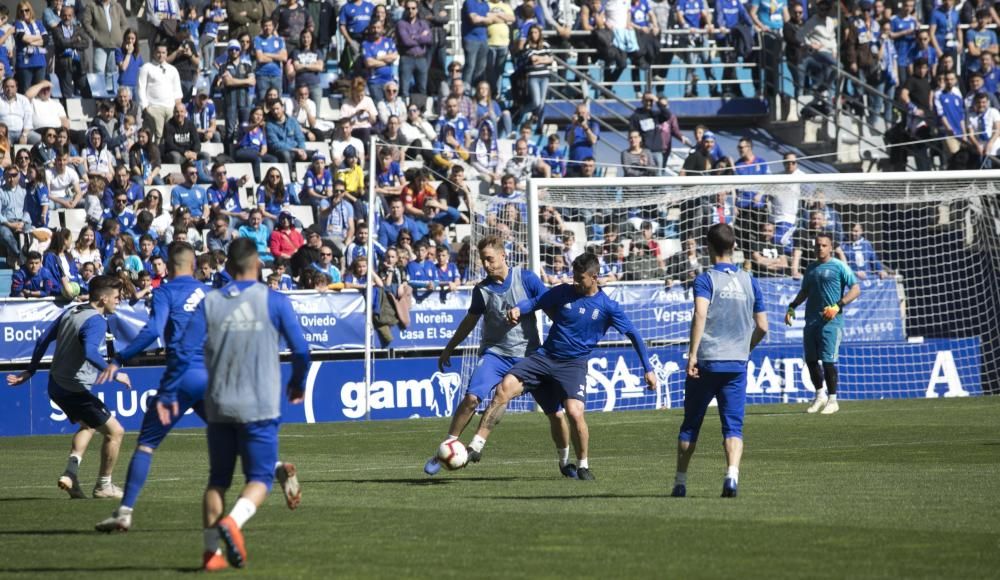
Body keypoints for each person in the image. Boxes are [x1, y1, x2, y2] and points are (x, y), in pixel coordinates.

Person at [94, 241, 303, 534]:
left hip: (182, 377)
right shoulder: (210, 293)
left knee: (146, 444)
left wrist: (120, 358)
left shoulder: (165, 292)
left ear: (168, 264)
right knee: (237, 437)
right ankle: (275, 467)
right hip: (213, 378)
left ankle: (124, 512)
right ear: (194, 265)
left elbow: (155, 330)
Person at [154, 238, 310, 570]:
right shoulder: (275, 301)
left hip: (219, 404)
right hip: (261, 405)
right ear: (257, 266)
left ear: (227, 269)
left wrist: (167, 394)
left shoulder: (210, 303)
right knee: (260, 478)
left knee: (217, 481)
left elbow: (182, 351)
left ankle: (211, 554)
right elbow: (301, 351)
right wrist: (298, 382)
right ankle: (233, 522)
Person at [467, 253, 658, 480]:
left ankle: (583, 465)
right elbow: (537, 302)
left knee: (574, 413)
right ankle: (476, 446)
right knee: (504, 388)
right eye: (574, 277)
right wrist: (520, 308)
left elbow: (634, 334)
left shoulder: (608, 306)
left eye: (580, 278)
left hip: (573, 365)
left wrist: (648, 368)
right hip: (544, 357)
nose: (575, 282)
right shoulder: (563, 291)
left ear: (594, 277)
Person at [426, 235, 575, 476]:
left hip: (530, 357)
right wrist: (449, 347)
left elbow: (551, 310)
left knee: (557, 414)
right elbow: (469, 322)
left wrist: (569, 338)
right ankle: (446, 447)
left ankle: (565, 461)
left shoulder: (526, 279)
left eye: (489, 259)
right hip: (495, 354)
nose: (486, 265)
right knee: (472, 398)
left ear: (503, 256)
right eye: (483, 260)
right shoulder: (482, 290)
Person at [7, 276, 130, 499]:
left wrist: (31, 370)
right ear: (103, 298)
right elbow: (91, 353)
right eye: (116, 297)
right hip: (74, 389)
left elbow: (42, 338)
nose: (119, 301)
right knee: (116, 432)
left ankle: (70, 475)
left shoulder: (73, 311)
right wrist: (114, 372)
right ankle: (104, 485)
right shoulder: (96, 321)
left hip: (56, 384)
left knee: (89, 426)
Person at [671, 223, 768, 499]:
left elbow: (700, 314)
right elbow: (762, 326)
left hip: (708, 362)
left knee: (691, 424)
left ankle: (680, 481)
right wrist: (745, 348)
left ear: (708, 247)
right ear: (734, 247)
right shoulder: (750, 280)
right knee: (733, 426)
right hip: (736, 363)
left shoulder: (705, 280)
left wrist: (692, 354)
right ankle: (732, 476)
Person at [784, 233, 861, 415]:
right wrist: (792, 306)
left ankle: (833, 400)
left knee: (828, 361)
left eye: (824, 245)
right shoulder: (810, 268)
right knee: (811, 361)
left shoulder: (839, 266)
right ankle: (820, 396)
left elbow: (856, 289)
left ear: (830, 247)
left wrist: (838, 306)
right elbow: (805, 291)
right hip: (811, 321)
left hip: (831, 322)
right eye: (818, 245)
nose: (820, 248)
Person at [138, 44, 184, 142]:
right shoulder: (147, 67)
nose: (161, 55)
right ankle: (157, 157)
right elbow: (141, 88)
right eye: (158, 52)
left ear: (167, 54)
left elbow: (177, 91)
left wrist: (178, 108)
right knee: (158, 136)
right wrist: (145, 107)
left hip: (170, 108)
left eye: (163, 53)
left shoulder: (173, 69)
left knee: (170, 136)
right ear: (154, 53)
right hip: (154, 107)